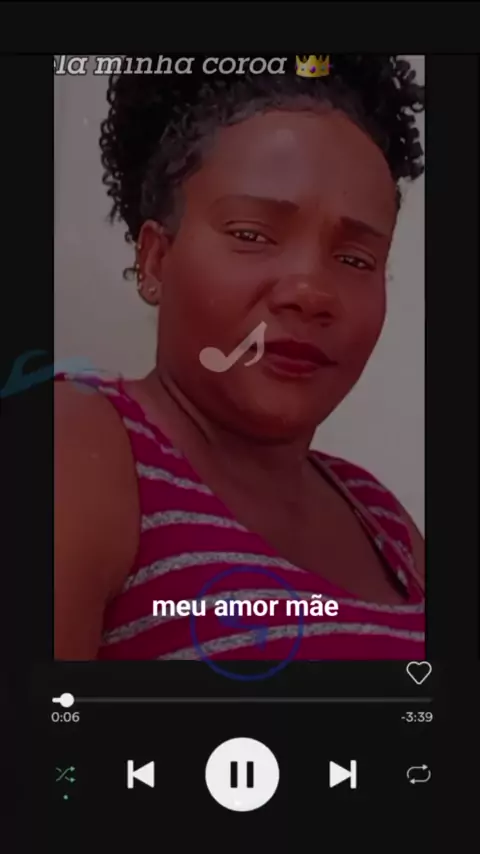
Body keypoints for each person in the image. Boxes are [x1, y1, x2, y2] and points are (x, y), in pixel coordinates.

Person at [54, 54, 425, 661]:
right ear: (155, 261)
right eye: (252, 235)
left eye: (356, 260)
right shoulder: (74, 447)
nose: (310, 292)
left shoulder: (383, 520)